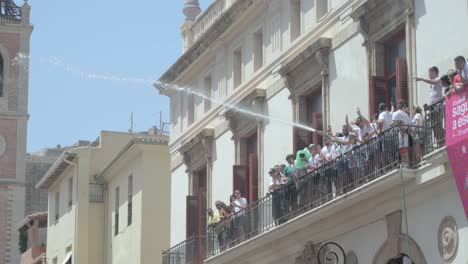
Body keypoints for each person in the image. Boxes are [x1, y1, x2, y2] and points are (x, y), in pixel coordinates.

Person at [392, 100, 412, 166]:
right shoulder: (406, 115)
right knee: (405, 148)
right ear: (403, 107)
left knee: (401, 148)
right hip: (405, 132)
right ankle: (407, 163)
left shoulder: (395, 114)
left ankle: (403, 163)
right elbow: (410, 125)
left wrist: (399, 130)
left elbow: (393, 124)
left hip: (399, 133)